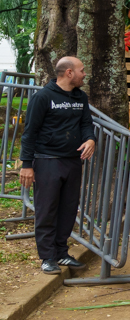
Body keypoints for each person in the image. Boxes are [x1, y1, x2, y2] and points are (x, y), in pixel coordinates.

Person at [19, 56, 96, 275]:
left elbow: (86, 124)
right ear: (69, 73)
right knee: (47, 209)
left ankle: (61, 252)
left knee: (69, 208)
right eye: (81, 70)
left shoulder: (80, 97)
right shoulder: (43, 97)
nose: (84, 74)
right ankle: (47, 257)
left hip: (72, 161)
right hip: (47, 161)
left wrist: (90, 139)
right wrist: (27, 164)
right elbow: (29, 132)